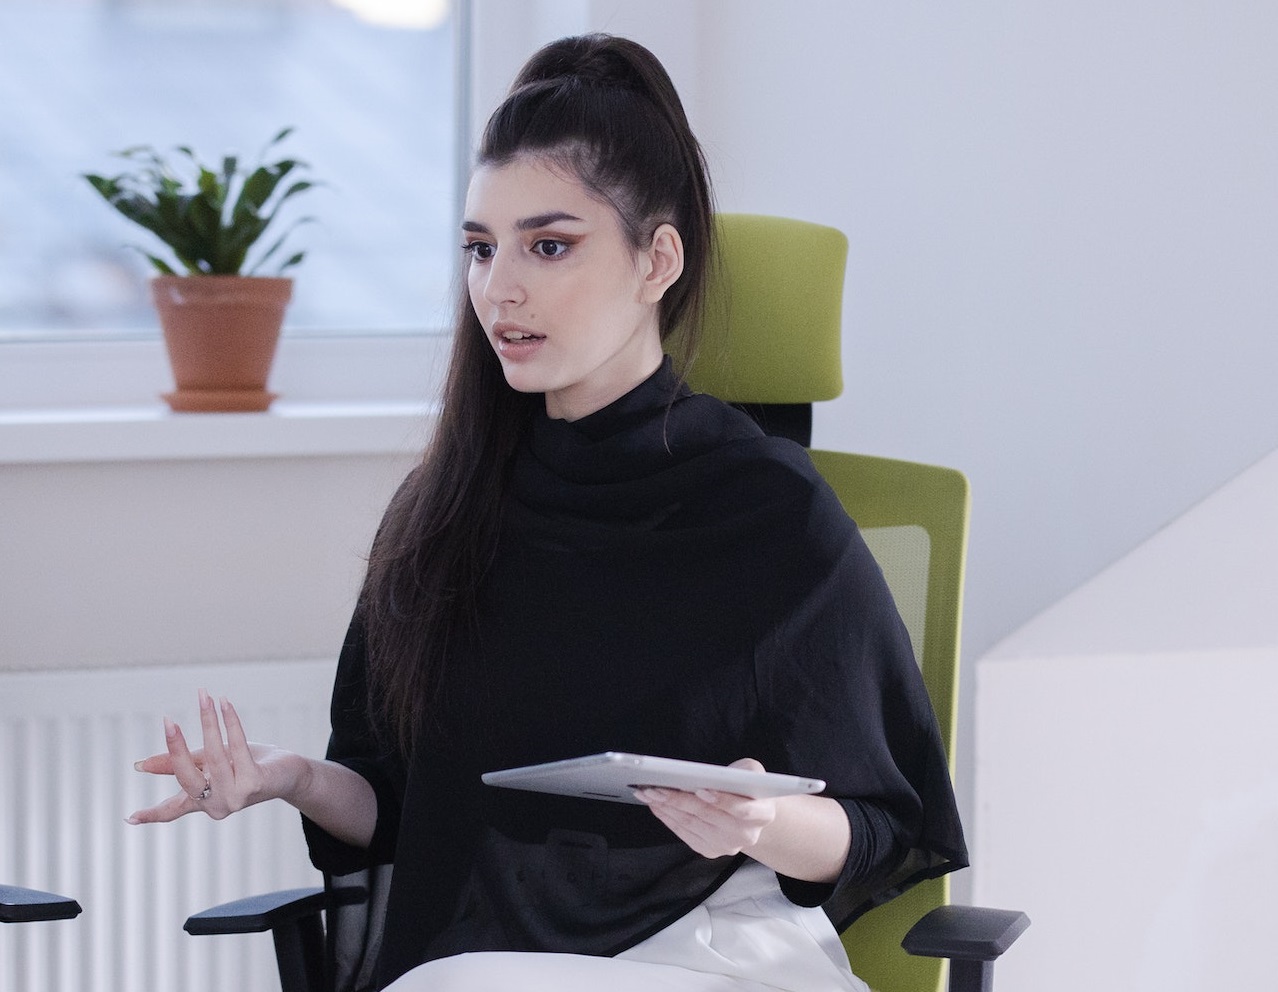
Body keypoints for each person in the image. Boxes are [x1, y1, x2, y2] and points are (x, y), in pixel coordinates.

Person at [129, 33, 967, 992]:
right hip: (487, 963)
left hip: (709, 953)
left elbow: (881, 827)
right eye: (481, 250)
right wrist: (292, 779)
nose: (500, 289)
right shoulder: (444, 514)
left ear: (658, 261)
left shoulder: (770, 511)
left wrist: (757, 823)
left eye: (550, 245)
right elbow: (404, 812)